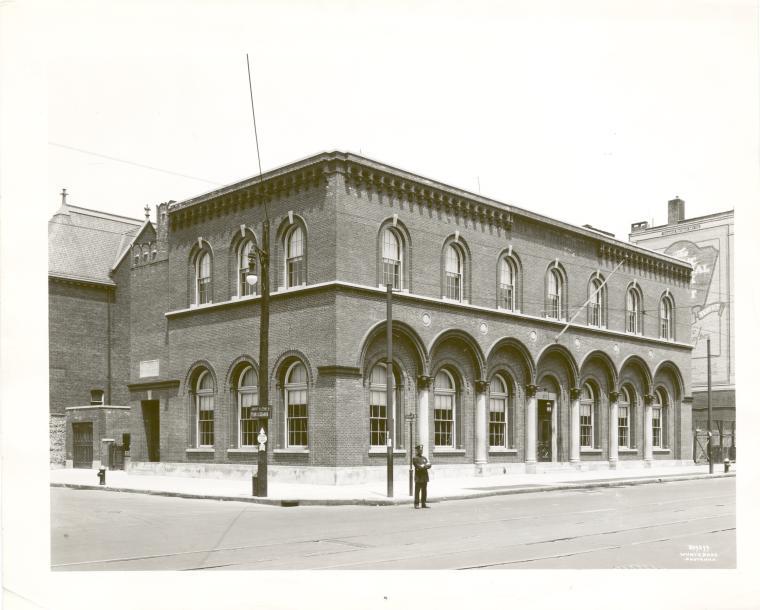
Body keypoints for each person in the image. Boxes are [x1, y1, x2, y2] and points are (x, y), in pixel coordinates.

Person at [412, 444, 432, 508]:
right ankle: (416, 504)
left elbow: (429, 465)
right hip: (418, 477)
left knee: (424, 491)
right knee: (417, 491)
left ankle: (423, 503)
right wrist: (424, 466)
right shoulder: (415, 458)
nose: (421, 451)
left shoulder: (424, 458)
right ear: (417, 451)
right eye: (419, 450)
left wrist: (423, 466)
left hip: (424, 477)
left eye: (421, 450)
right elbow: (418, 467)